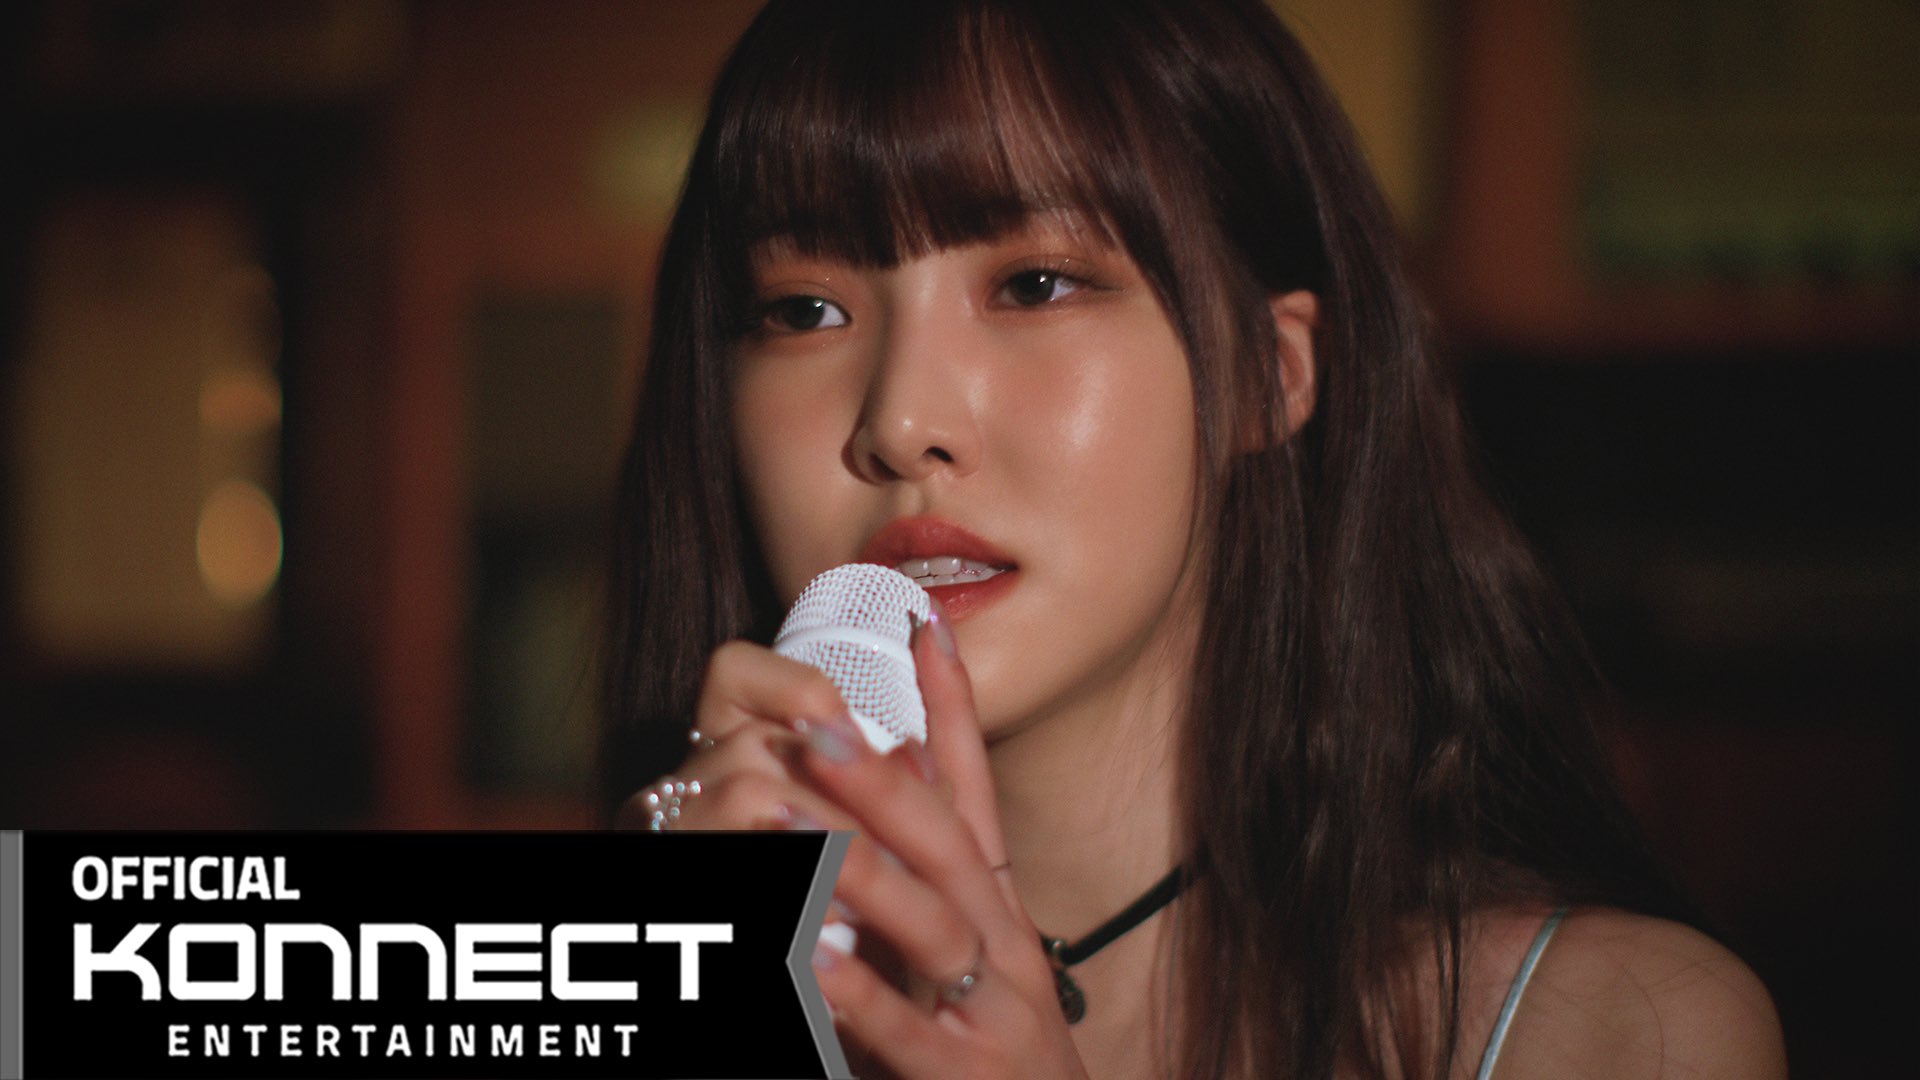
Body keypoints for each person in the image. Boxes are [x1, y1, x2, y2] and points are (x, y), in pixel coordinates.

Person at [600, 1, 1787, 1076]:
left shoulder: (1617, 1030)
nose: (902, 422)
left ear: (1269, 373)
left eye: (1036, 284)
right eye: (803, 309)